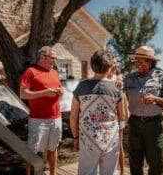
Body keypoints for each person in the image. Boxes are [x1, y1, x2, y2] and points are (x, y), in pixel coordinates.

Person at [70, 50, 125, 175]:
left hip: (87, 138)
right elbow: (122, 117)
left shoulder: (81, 87)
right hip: (111, 138)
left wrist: (75, 137)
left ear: (92, 66)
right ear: (111, 67)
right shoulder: (116, 88)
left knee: (87, 171)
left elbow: (73, 117)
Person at [123, 46, 163, 175]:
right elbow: (119, 93)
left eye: (141, 61)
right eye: (136, 61)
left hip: (154, 124)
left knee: (156, 159)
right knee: (135, 160)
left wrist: (155, 98)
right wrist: (118, 83)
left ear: (150, 62)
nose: (137, 64)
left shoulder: (160, 77)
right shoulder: (129, 78)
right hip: (134, 123)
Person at [20, 46, 63, 175]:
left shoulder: (54, 72)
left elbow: (59, 89)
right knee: (32, 151)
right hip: (38, 119)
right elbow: (23, 94)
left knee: (53, 148)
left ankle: (52, 173)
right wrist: (44, 93)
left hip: (56, 118)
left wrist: (61, 92)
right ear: (43, 57)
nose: (55, 60)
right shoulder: (30, 71)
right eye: (53, 57)